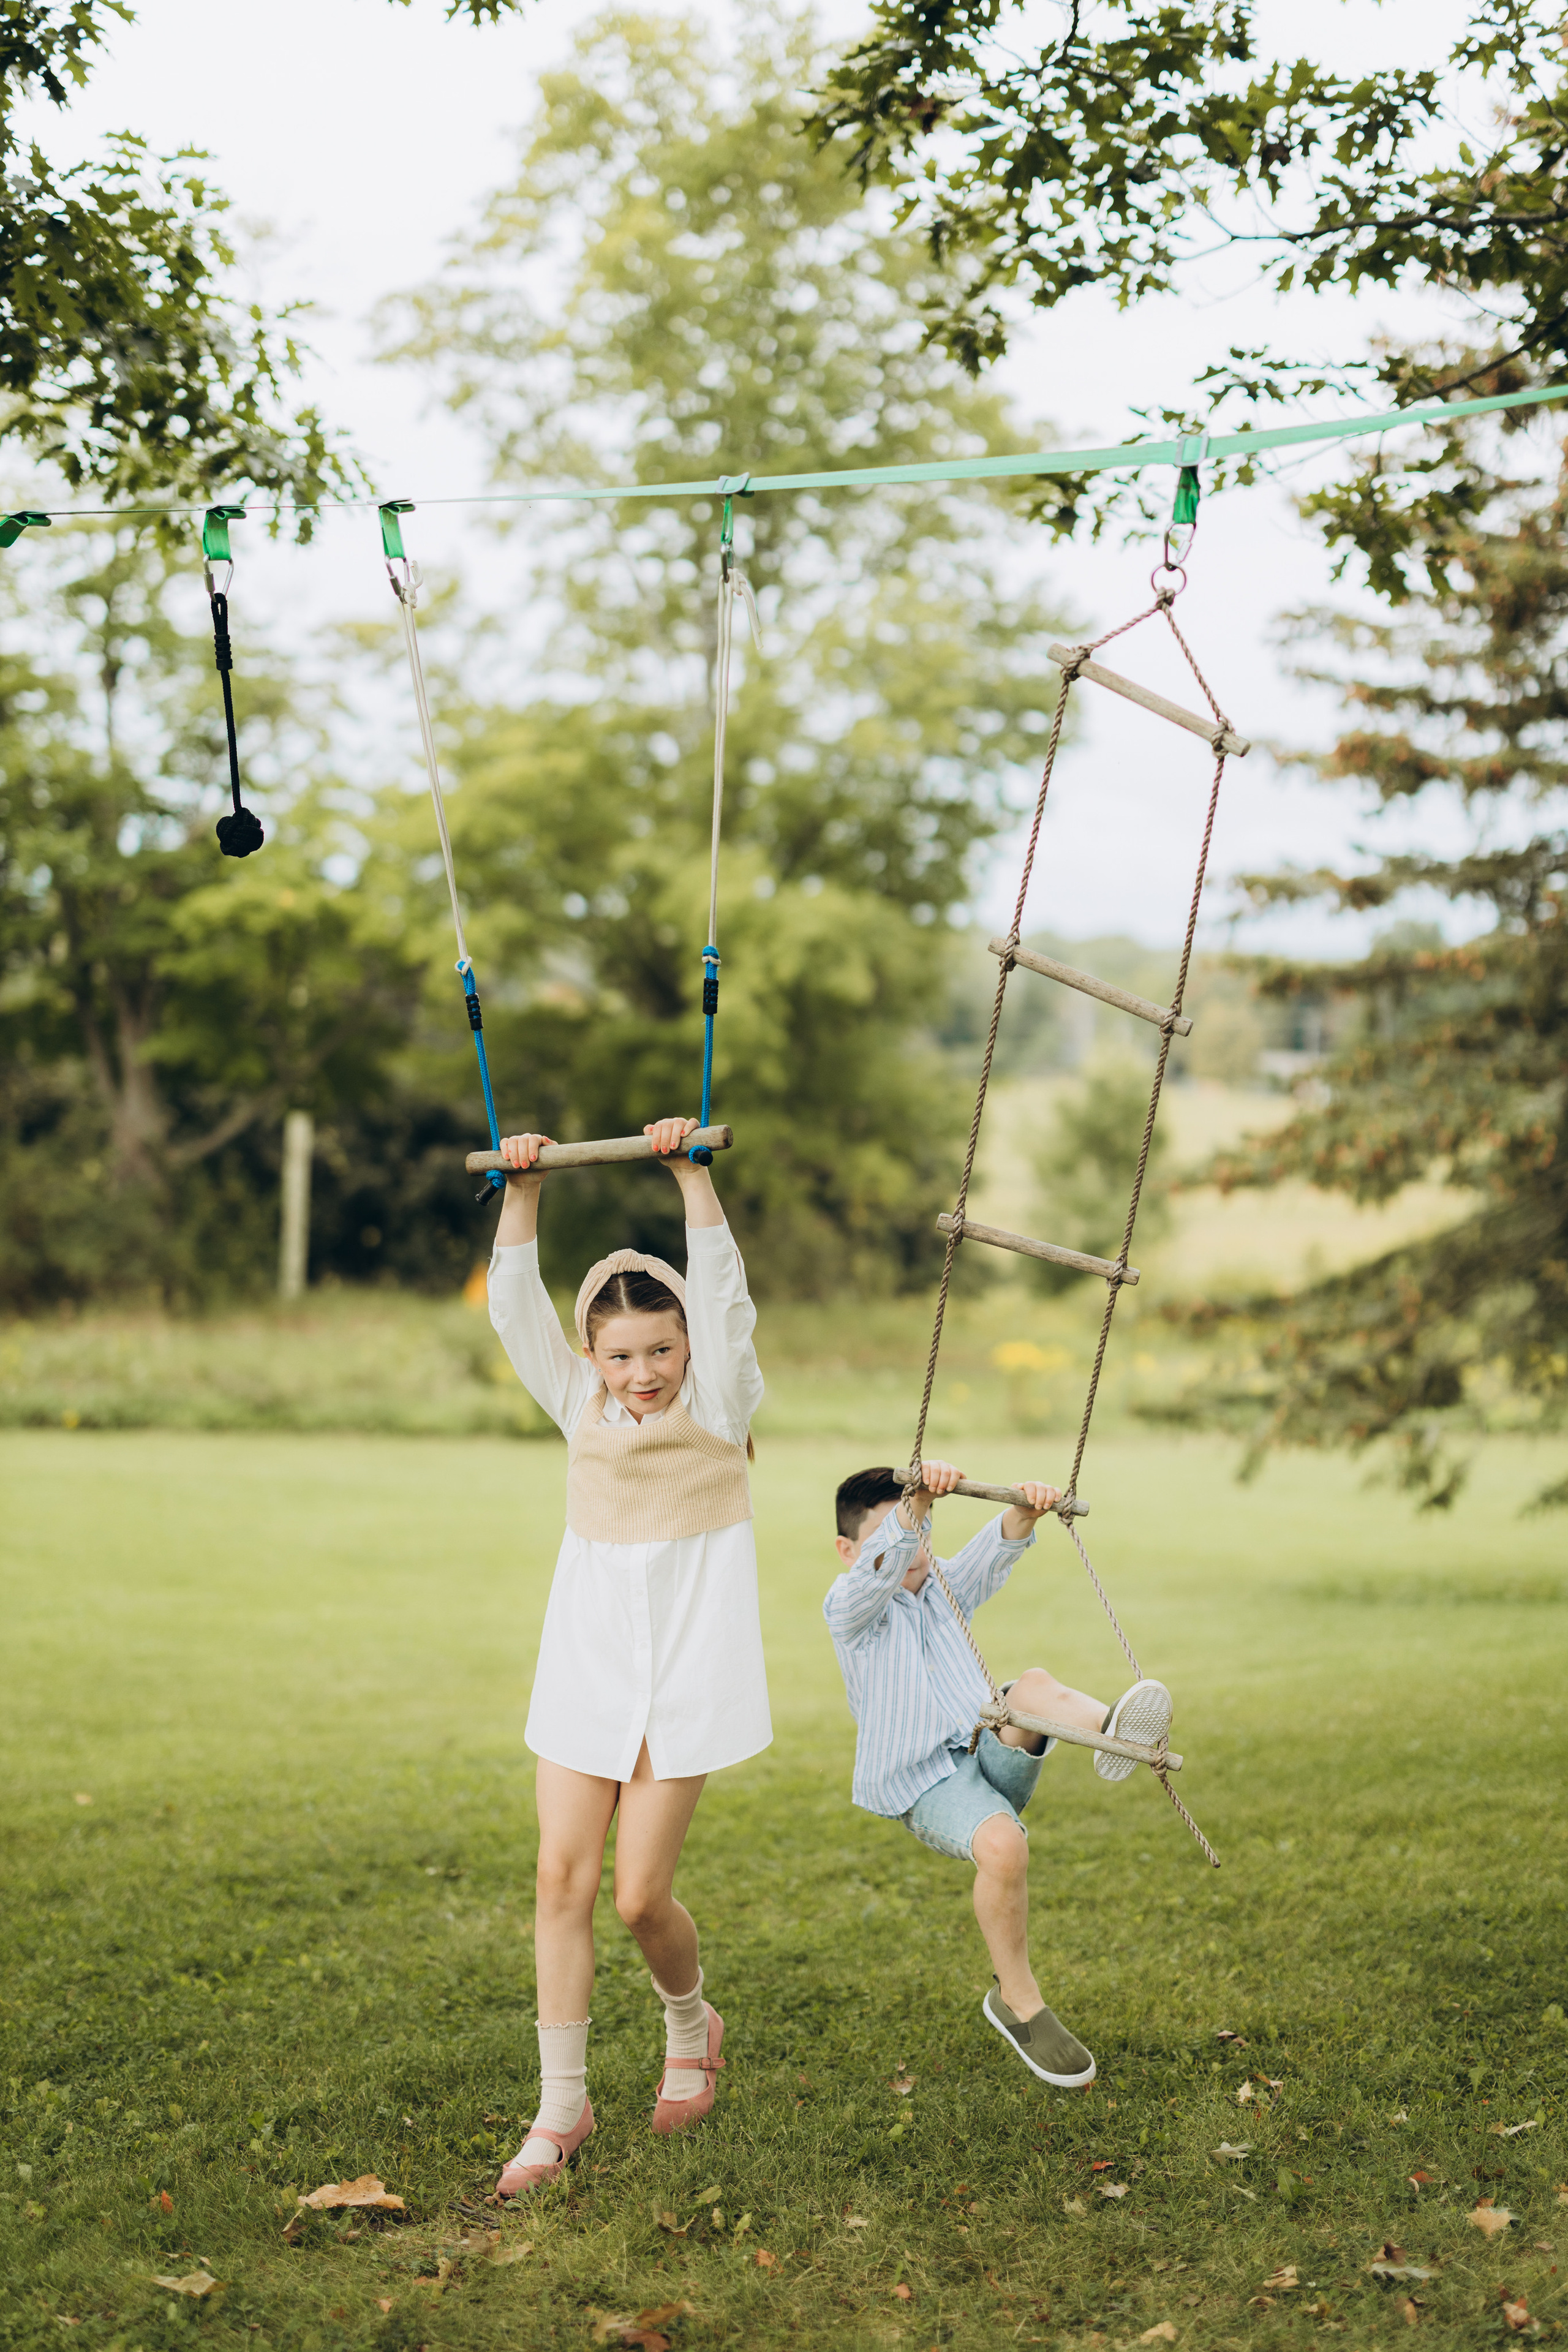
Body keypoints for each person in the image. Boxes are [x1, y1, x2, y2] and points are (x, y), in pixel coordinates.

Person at [485, 1115, 769, 2196]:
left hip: (686, 1679)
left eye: (661, 1348)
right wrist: (525, 1187)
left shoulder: (720, 1404)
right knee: (560, 1877)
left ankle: (691, 2027)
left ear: (687, 1344)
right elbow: (515, 1311)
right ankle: (562, 2108)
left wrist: (693, 1180)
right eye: (619, 1354)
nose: (641, 1372)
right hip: (589, 1672)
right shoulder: (579, 1407)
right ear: (591, 1355)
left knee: (640, 1900)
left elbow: (728, 1298)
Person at [824, 1460, 1172, 2089]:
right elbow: (880, 1567)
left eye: (923, 1531)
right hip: (924, 1781)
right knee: (1004, 1847)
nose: (913, 1548)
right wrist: (914, 1508)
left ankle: (1117, 1731)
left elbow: (990, 1555)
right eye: (897, 1533)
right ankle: (1018, 2001)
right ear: (850, 1550)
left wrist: (1024, 1511)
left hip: (985, 1747)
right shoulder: (852, 1609)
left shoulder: (942, 1585)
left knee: (1033, 1685)